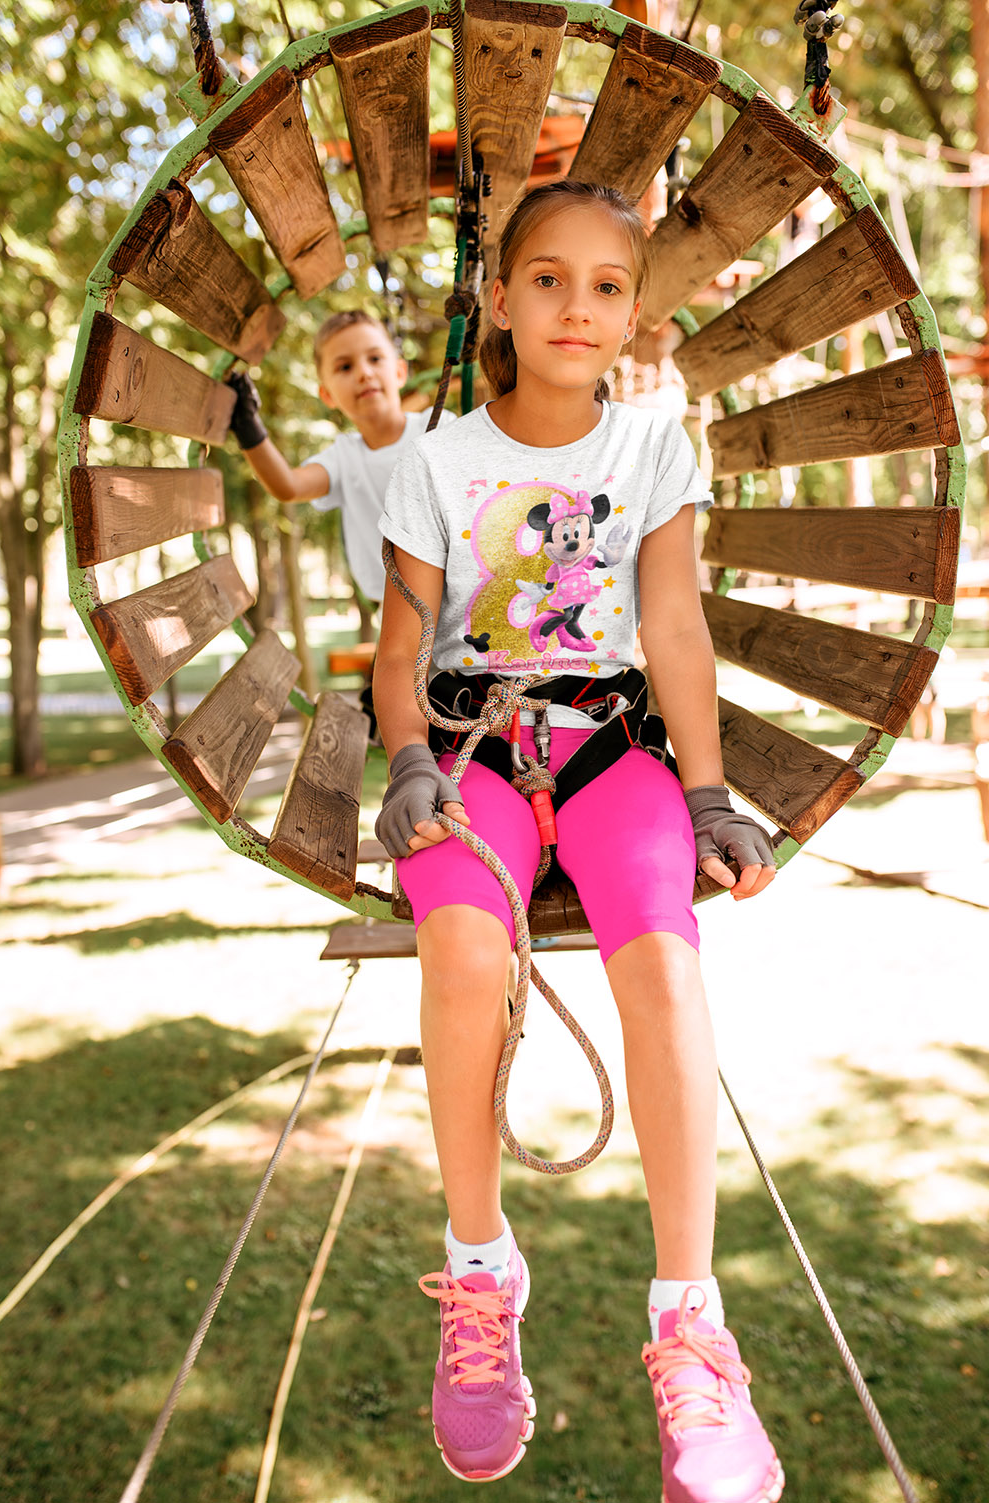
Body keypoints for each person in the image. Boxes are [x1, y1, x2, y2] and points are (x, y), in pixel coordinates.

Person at [372, 180, 782, 1503]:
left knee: (663, 957)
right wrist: (408, 762)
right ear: (498, 299)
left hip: (611, 752)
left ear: (636, 315)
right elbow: (398, 644)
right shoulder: (430, 462)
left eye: (609, 285)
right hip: (474, 753)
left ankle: (691, 1320)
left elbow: (672, 629)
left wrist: (708, 793)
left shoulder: (654, 450)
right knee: (460, 943)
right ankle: (482, 1271)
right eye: (548, 278)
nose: (577, 306)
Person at [226, 309, 454, 608]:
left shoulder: (437, 427)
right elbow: (289, 486)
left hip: (455, 591)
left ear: (400, 372)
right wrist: (249, 429)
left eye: (374, 359)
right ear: (327, 395)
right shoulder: (343, 458)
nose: (364, 373)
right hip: (394, 607)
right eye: (345, 367)